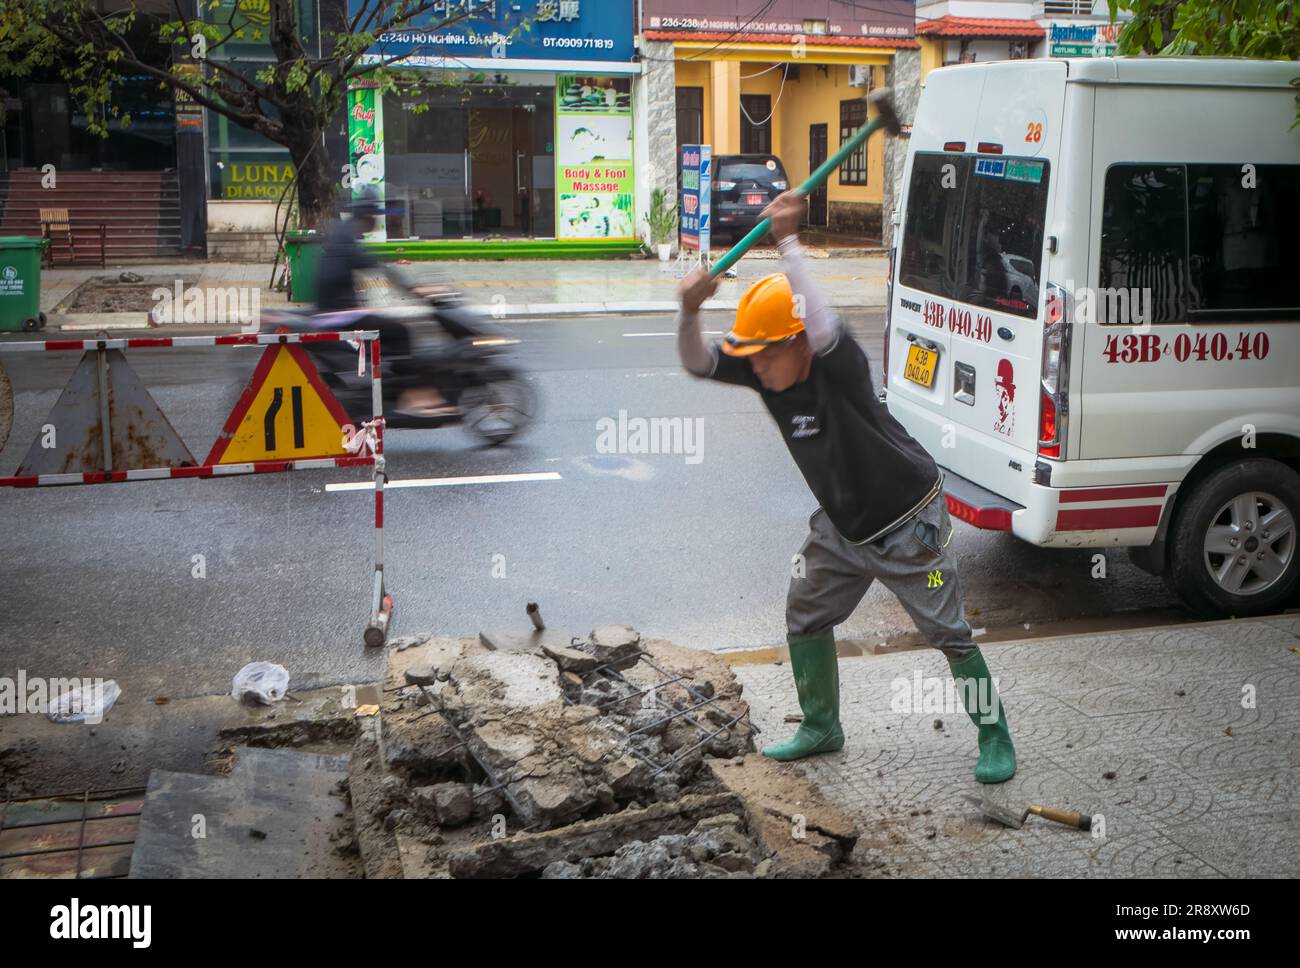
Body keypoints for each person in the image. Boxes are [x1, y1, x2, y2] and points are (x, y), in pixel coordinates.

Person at [675, 191, 1016, 784]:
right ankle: (821, 726)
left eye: (764, 353)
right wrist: (688, 310)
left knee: (949, 633)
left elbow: (823, 320)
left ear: (800, 343)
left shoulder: (837, 365)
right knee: (804, 614)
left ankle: (994, 734)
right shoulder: (767, 374)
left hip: (910, 523)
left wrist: (787, 242)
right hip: (841, 525)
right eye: (749, 355)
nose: (751, 365)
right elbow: (698, 363)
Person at [315, 190, 453, 417]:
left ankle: (391, 385)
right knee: (401, 332)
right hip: (339, 314)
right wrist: (415, 290)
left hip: (335, 309)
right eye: (375, 218)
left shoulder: (344, 232)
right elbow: (381, 269)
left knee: (387, 331)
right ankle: (412, 397)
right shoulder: (349, 239)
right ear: (368, 217)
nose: (376, 223)